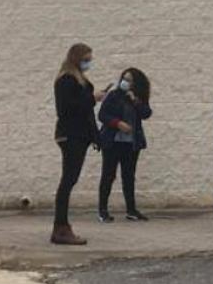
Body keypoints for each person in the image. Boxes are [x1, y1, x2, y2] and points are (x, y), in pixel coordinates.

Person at [52, 43, 103, 245]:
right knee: (68, 181)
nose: (88, 63)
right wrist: (92, 98)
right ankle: (61, 227)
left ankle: (61, 226)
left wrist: (95, 136)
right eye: (86, 59)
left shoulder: (78, 80)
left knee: (70, 180)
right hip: (71, 135)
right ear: (76, 59)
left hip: (79, 135)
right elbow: (66, 109)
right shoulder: (66, 80)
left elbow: (86, 113)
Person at [96, 68, 153, 222]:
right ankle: (102, 210)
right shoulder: (114, 95)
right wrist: (117, 123)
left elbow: (146, 113)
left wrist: (135, 100)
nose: (125, 82)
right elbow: (102, 115)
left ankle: (131, 210)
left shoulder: (138, 98)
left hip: (131, 143)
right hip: (112, 141)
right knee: (108, 175)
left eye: (129, 80)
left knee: (129, 176)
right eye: (124, 79)